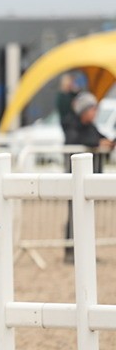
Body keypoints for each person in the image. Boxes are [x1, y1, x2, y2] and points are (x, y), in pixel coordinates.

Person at [63, 90, 113, 262]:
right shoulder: (71, 123)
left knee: (86, 216)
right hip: (74, 179)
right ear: (84, 110)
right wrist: (98, 143)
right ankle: (70, 252)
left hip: (90, 180)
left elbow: (99, 139)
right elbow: (75, 141)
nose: (95, 112)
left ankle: (86, 253)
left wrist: (108, 143)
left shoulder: (91, 127)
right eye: (93, 109)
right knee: (74, 215)